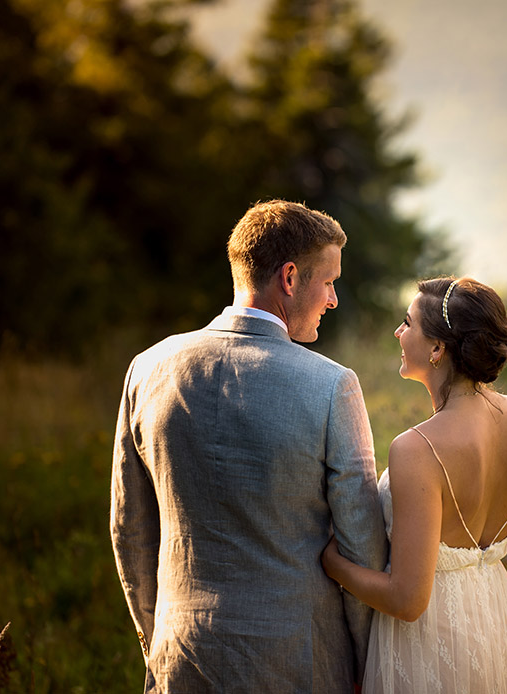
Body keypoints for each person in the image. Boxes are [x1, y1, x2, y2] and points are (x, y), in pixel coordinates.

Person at [111, 199, 389, 693]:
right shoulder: (331, 386)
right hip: (299, 664)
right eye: (329, 282)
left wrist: (157, 639)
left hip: (179, 657)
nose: (333, 299)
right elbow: (360, 546)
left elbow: (129, 527)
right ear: (289, 278)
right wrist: (369, 663)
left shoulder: (148, 369)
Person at [322, 276, 507, 694]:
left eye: (407, 323)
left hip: (428, 648)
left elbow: (407, 601)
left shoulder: (416, 448)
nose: (398, 332)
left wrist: (332, 564)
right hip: (504, 634)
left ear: (436, 349)